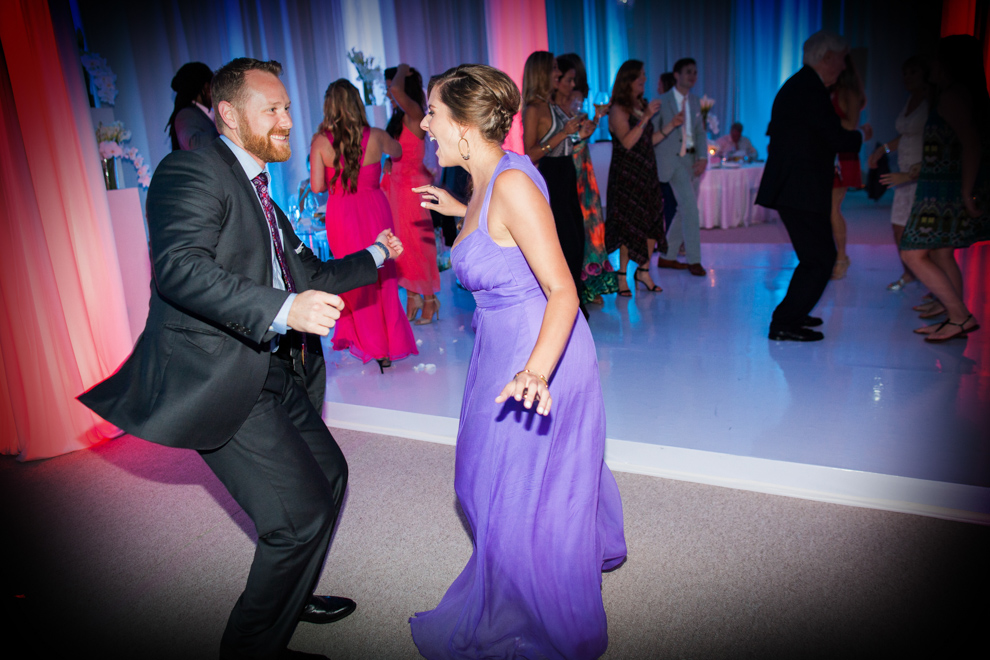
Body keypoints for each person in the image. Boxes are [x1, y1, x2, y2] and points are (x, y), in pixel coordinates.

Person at [79, 58, 404, 659]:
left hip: (274, 368)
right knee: (298, 518)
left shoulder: (260, 188)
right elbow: (179, 268)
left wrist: (376, 256)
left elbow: (308, 272)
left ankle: (291, 591)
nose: (286, 119)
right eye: (272, 110)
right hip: (219, 373)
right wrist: (284, 309)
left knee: (329, 476)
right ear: (228, 114)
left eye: (286, 107)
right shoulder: (192, 170)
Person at [408, 63, 627, 659]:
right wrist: (459, 212)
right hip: (500, 345)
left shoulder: (512, 184)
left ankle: (548, 612)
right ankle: (522, 580)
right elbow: (497, 237)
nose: (424, 124)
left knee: (526, 488)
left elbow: (562, 289)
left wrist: (535, 371)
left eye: (433, 113)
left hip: (541, 352)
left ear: (463, 126)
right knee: (483, 478)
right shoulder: (483, 181)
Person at [756, 30, 871, 341]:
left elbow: (806, 135)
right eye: (842, 59)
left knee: (815, 257)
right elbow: (832, 135)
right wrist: (860, 137)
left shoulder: (802, 85)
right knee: (820, 259)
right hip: (798, 188)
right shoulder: (809, 89)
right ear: (827, 58)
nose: (844, 66)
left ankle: (793, 314)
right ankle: (784, 322)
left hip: (796, 186)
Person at [310, 79, 418, 372]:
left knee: (353, 273)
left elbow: (318, 185)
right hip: (374, 209)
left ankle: (369, 343)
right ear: (357, 104)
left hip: (341, 213)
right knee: (383, 274)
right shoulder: (378, 136)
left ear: (329, 107)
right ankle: (388, 344)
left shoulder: (320, 141)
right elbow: (398, 152)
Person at [894, 35, 989, 342]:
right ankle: (953, 316)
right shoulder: (954, 94)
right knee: (942, 253)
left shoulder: (952, 96)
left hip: (943, 191)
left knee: (912, 252)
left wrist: (965, 192)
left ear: (949, 63)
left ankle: (959, 317)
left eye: (936, 59)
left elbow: (972, 144)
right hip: (941, 185)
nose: (931, 65)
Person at [521, 51, 595, 314]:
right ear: (541, 72)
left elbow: (564, 143)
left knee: (576, 243)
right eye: (553, 68)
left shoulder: (551, 105)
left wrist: (577, 135)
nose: (558, 73)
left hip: (566, 172)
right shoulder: (533, 108)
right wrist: (564, 133)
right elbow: (528, 154)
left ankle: (573, 305)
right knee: (567, 245)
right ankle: (569, 311)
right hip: (551, 176)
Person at [604, 59, 682, 296]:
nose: (645, 80)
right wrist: (646, 117)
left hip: (646, 173)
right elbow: (627, 142)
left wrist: (670, 126)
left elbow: (649, 140)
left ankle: (644, 271)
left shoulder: (641, 104)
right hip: (627, 177)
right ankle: (622, 276)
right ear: (629, 80)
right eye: (641, 76)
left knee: (651, 221)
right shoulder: (618, 108)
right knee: (630, 225)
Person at [556, 53, 619, 305]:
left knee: (590, 220)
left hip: (581, 161)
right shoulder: (555, 101)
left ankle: (590, 282)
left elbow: (580, 131)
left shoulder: (576, 96)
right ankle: (581, 284)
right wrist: (583, 130)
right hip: (569, 163)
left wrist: (592, 123)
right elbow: (567, 136)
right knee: (579, 221)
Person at [382, 64, 442, 324]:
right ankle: (412, 295)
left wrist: (403, 69)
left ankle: (429, 299)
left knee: (417, 244)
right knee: (400, 244)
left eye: (389, 85)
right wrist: (387, 162)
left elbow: (396, 87)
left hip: (411, 189)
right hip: (395, 187)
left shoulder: (416, 111)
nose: (388, 91)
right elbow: (397, 151)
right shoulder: (398, 115)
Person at [868, 56, 930, 290]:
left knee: (923, 231)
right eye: (905, 73)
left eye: (913, 72)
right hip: (904, 172)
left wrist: (917, 172)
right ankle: (910, 273)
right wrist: (881, 151)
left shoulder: (931, 101)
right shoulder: (910, 101)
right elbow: (906, 135)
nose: (907, 77)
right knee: (898, 227)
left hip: (921, 172)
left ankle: (932, 283)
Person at [654, 57, 709, 276]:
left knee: (682, 209)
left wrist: (703, 158)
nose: (692, 76)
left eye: (695, 72)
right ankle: (695, 260)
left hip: (691, 159)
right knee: (690, 208)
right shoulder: (662, 101)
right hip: (671, 160)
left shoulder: (695, 102)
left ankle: (667, 256)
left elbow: (700, 132)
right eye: (688, 72)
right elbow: (653, 135)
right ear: (676, 75)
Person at [829, 54, 867, 280]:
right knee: (827, 210)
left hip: (842, 157)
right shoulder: (830, 92)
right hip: (829, 155)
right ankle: (836, 255)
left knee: (832, 209)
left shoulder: (849, 93)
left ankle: (842, 257)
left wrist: (823, 119)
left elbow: (851, 125)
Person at [165, 61, 218, 151]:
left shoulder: (205, 114)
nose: (217, 92)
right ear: (206, 88)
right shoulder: (186, 114)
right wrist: (223, 129)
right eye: (213, 87)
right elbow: (193, 144)